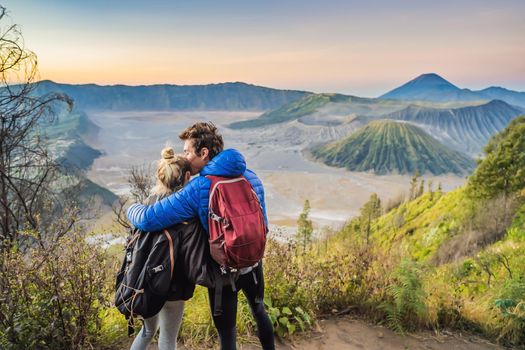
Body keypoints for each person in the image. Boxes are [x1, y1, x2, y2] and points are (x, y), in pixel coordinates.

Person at [127, 122, 275, 350]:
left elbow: (149, 219)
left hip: (223, 271)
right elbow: (262, 222)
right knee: (259, 311)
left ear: (203, 153)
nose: (184, 156)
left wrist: (131, 208)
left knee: (227, 334)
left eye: (187, 151)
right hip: (253, 262)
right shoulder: (250, 176)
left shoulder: (198, 188)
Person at [130, 148, 198, 350]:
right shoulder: (187, 209)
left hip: (146, 281)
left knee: (147, 331)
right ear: (187, 176)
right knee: (168, 340)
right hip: (174, 284)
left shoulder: (147, 205)